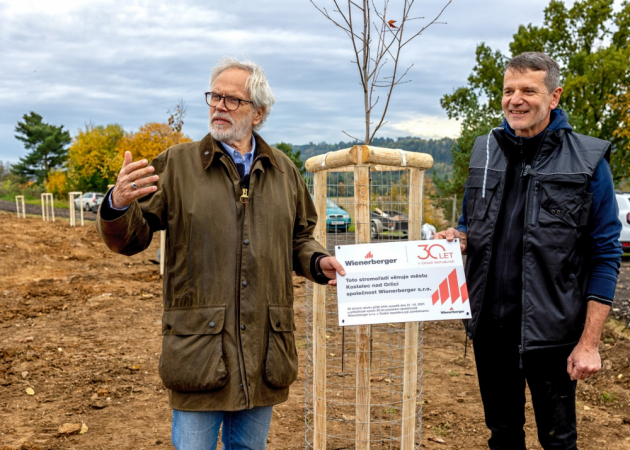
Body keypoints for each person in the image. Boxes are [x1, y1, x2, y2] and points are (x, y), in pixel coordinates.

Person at [97, 57, 345, 450]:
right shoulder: (177, 166)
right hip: (199, 351)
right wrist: (118, 205)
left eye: (232, 100)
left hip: (263, 350)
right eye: (214, 97)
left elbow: (299, 237)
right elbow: (131, 239)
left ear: (258, 114)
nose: (219, 107)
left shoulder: (284, 172)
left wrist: (317, 261)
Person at [435, 52, 622, 449]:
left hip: (552, 334)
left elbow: (605, 254)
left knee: (558, 441)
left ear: (554, 97)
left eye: (528, 90)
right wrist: (459, 237)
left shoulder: (588, 161)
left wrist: (588, 343)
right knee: (502, 436)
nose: (515, 99)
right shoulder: (484, 151)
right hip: (490, 329)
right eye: (508, 90)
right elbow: (473, 226)